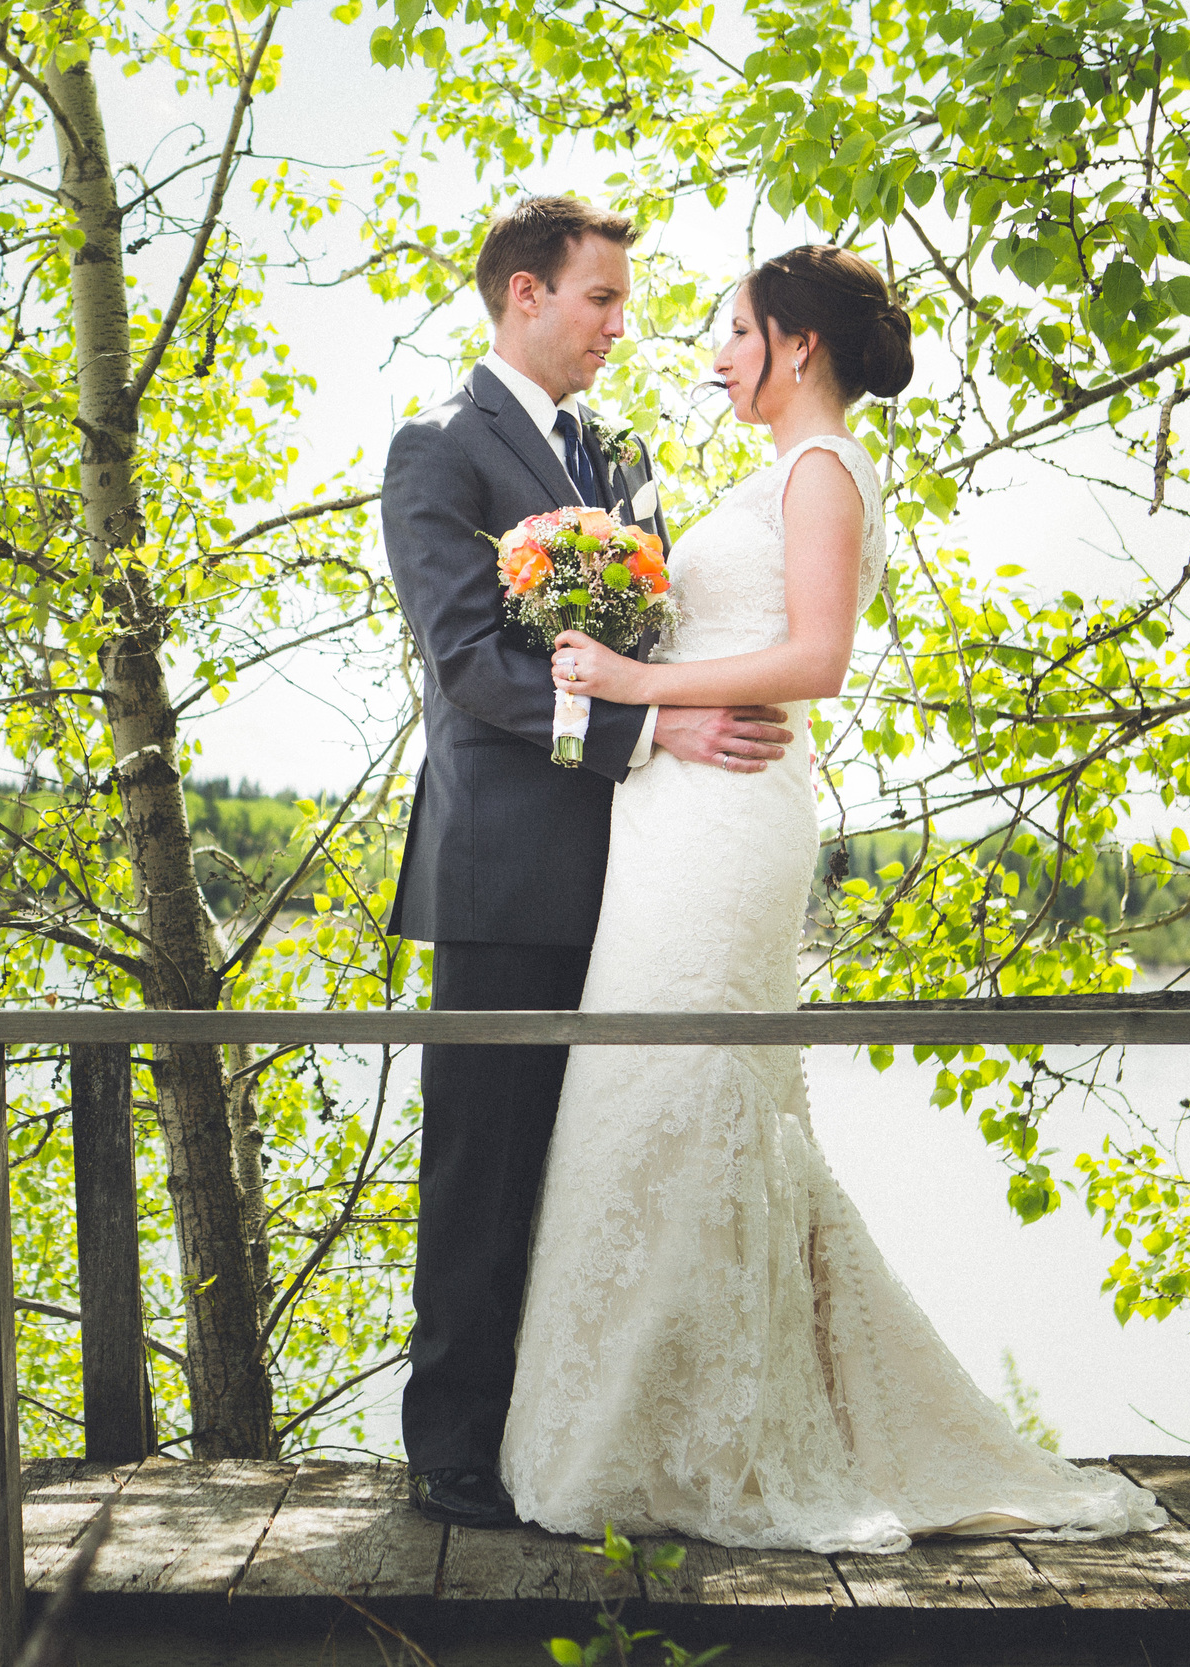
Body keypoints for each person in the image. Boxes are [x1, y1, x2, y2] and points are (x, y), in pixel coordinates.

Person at [502, 245, 1164, 1552]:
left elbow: (817, 657)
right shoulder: (783, 470)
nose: (714, 356)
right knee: (638, 1085)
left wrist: (634, 687)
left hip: (732, 816)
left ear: (796, 344)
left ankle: (709, 1439)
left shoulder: (822, 470)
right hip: (673, 813)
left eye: (735, 331)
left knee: (696, 1085)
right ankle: (642, 1425)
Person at [379, 194, 797, 1530]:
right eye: (602, 298)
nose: (622, 324)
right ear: (526, 294)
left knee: (597, 1174)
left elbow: (653, 633)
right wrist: (655, 728)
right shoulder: (439, 450)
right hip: (503, 875)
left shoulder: (617, 459)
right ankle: (451, 1455)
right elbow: (470, 664)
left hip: (640, 873)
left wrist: (696, 706)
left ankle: (562, 1441)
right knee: (485, 1167)